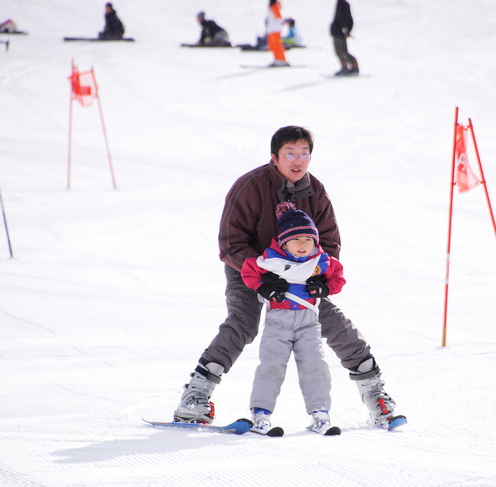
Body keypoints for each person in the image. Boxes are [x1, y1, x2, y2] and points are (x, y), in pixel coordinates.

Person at [173, 125, 404, 430]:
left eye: (304, 154)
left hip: (300, 274)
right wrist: (264, 274)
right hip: (251, 268)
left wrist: (320, 274)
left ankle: (376, 395)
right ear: (275, 157)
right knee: (243, 322)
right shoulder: (251, 187)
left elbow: (330, 243)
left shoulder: (316, 192)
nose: (298, 160)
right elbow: (231, 243)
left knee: (331, 320)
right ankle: (195, 397)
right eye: (290, 153)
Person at [241, 202, 345, 435]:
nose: (302, 245)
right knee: (272, 366)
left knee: (314, 365)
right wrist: (264, 287)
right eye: (296, 240)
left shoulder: (321, 262)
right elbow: (248, 271)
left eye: (308, 240)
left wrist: (324, 288)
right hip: (279, 321)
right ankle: (261, 414)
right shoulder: (271, 260)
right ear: (284, 242)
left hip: (308, 322)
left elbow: (338, 278)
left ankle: (320, 414)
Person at [330, 0, 359, 76]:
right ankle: (353, 67)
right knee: (343, 51)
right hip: (339, 32)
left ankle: (345, 68)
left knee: (340, 51)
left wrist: (345, 30)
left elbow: (345, 18)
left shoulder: (342, 4)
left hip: (339, 33)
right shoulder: (342, 3)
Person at [266, 0, 288, 67]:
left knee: (277, 45)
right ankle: (277, 59)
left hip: (275, 30)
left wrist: (280, 22)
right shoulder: (272, 9)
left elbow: (279, 18)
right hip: (272, 30)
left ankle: (281, 59)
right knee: (273, 46)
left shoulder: (274, 7)